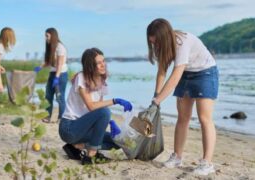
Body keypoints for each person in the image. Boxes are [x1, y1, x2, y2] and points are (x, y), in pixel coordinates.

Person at [147, 18, 219, 175]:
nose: (155, 46)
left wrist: (159, 100)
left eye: (156, 42)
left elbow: (175, 76)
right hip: (187, 73)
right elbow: (162, 72)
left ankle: (207, 162)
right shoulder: (161, 46)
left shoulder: (182, 42)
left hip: (205, 72)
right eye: (152, 43)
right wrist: (156, 96)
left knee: (204, 118)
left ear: (164, 37)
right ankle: (177, 156)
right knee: (183, 117)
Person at [59, 48, 133, 165]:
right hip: (70, 128)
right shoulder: (81, 78)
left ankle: (77, 147)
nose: (103, 65)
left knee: (118, 141)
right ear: (90, 65)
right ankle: (91, 156)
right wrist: (115, 101)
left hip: (85, 129)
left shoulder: (102, 80)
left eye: (103, 61)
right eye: (98, 63)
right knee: (105, 112)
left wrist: (111, 122)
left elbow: (99, 107)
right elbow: (92, 106)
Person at [34, 28, 68, 123]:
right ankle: (47, 116)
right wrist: (39, 68)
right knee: (48, 96)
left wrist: (57, 78)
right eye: (45, 36)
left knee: (59, 97)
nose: (46, 38)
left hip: (60, 74)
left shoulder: (60, 47)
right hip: (52, 73)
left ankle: (62, 118)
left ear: (53, 36)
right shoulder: (50, 46)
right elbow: (48, 62)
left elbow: (60, 64)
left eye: (47, 36)